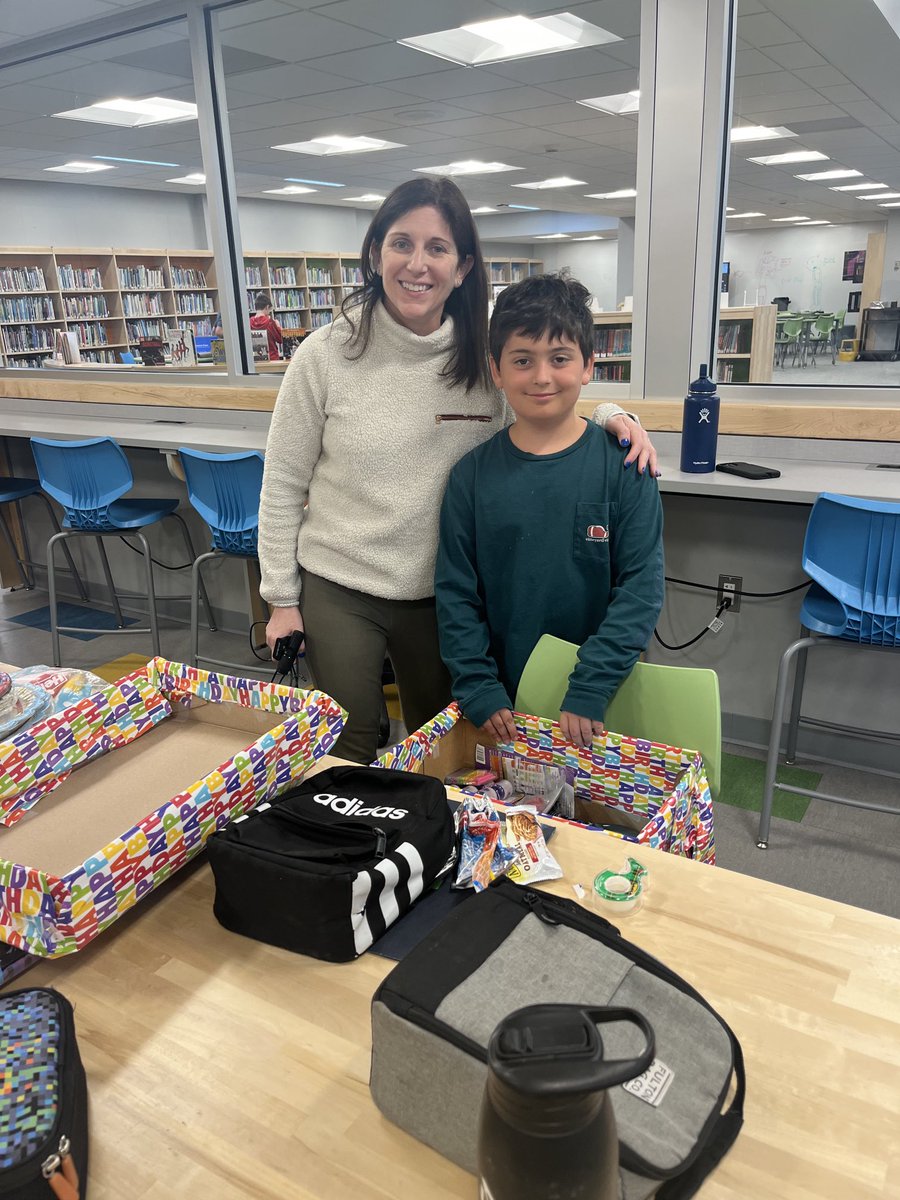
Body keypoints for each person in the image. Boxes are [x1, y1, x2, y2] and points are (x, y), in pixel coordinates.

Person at [258, 177, 659, 763]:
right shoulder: (325, 354)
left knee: (442, 745)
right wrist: (280, 597)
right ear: (376, 254)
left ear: (464, 266)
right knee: (350, 743)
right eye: (401, 243)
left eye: (438, 248)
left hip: (446, 595)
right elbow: (283, 484)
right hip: (341, 583)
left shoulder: (480, 352)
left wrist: (611, 415)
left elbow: (539, 398)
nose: (418, 264)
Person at [434, 272, 665, 749]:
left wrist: (590, 685)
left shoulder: (625, 467)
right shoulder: (470, 478)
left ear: (587, 367)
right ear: (496, 371)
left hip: (599, 701)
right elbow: (457, 595)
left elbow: (640, 589)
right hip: (501, 705)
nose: (541, 376)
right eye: (522, 360)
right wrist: (477, 684)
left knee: (593, 820)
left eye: (559, 359)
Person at [250, 293, 283, 360]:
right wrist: (278, 326)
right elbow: (280, 339)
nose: (269, 312)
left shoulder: (249, 322)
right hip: (272, 358)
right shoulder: (270, 322)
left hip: (255, 359)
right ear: (267, 307)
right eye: (269, 310)